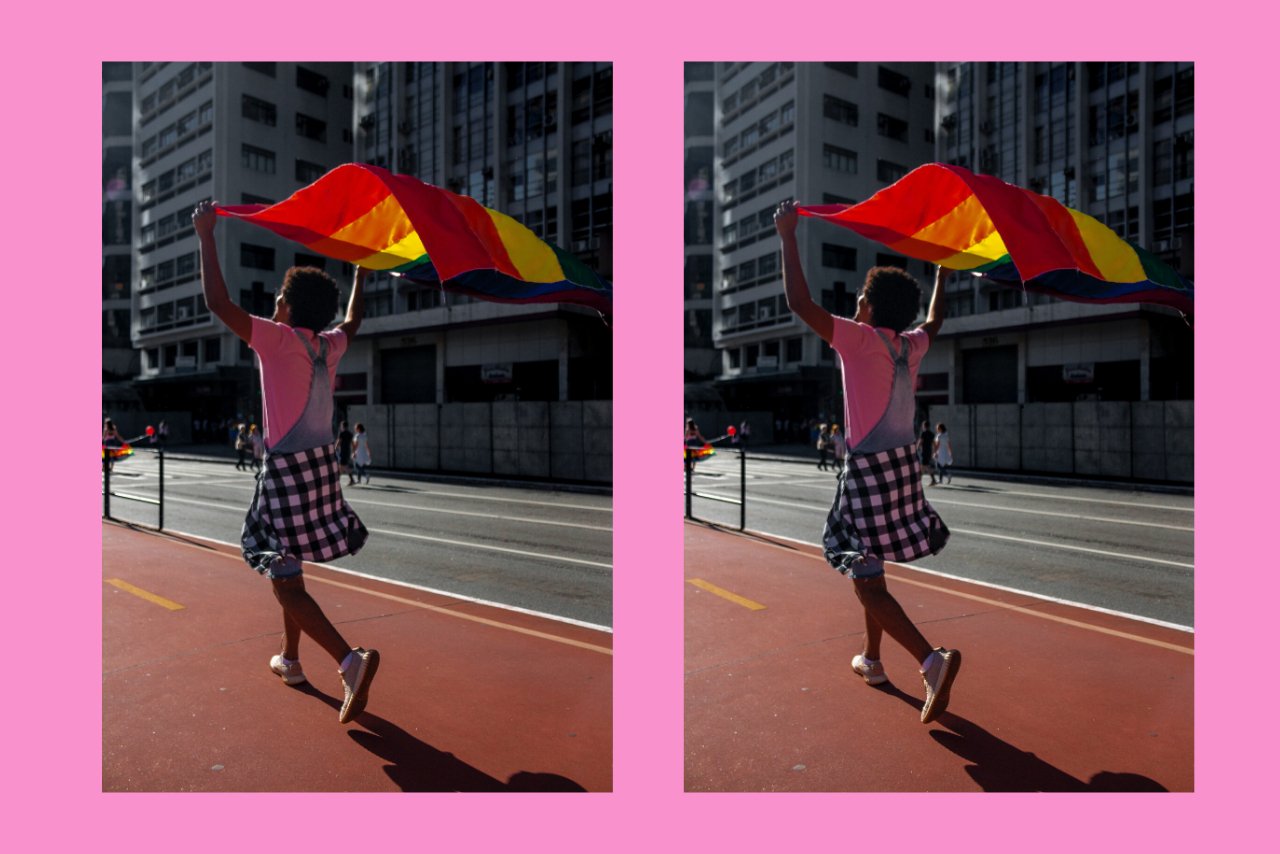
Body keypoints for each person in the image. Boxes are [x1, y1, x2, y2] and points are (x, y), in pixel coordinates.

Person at [193, 199, 378, 725]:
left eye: (277, 301)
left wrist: (207, 235)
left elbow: (217, 301)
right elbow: (355, 319)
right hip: (320, 473)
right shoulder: (329, 346)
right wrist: (362, 270)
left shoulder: (275, 341)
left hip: (287, 475)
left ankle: (350, 662)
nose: (272, 307)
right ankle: (290, 660)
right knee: (288, 569)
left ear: (288, 311)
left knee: (279, 573)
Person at [775, 198, 959, 724]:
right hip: (903, 472)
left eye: (859, 300)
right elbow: (936, 319)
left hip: (869, 473)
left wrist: (788, 235)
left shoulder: (857, 341)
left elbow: (799, 302)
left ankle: (931, 662)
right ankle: (873, 660)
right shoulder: (911, 346)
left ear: (871, 310)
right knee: (870, 566)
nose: (854, 306)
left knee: (859, 570)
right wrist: (943, 271)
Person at [337, 421, 355, 486]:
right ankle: (337, 481)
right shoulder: (350, 434)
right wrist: (353, 451)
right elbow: (353, 443)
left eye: (341, 426)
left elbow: (339, 442)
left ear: (342, 426)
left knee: (344, 466)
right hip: (348, 451)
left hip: (342, 452)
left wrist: (335, 448)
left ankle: (352, 479)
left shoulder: (342, 433)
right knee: (341, 467)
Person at [919, 420, 936, 485]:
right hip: (929, 451)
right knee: (922, 467)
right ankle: (919, 481)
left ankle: (933, 480)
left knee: (925, 466)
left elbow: (920, 441)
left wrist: (917, 447)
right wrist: (934, 451)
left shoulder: (923, 433)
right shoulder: (932, 434)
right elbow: (934, 443)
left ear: (924, 426)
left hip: (924, 452)